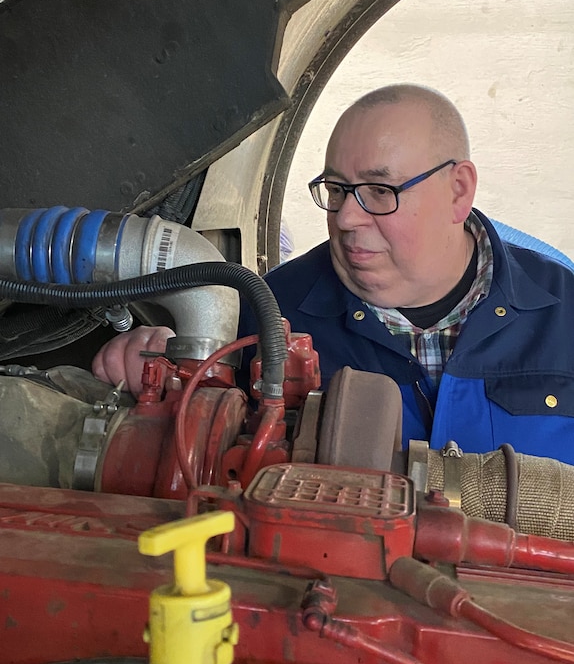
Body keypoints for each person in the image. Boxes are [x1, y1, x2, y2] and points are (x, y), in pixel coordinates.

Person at [93, 83, 574, 465]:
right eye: (337, 189)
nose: (346, 218)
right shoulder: (266, 314)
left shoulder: (565, 314)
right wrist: (164, 369)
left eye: (380, 191)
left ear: (458, 191)